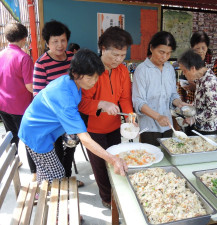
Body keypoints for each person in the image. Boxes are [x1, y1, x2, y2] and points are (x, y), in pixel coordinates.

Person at [18, 49, 127, 184]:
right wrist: (112, 159)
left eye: (96, 77)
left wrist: (102, 104)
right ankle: (49, 198)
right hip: (37, 134)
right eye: (89, 78)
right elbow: (85, 139)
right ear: (75, 73)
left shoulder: (70, 81)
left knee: (45, 169)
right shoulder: (65, 96)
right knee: (57, 174)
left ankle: (40, 192)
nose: (93, 82)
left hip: (41, 129)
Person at [78, 27, 133, 209]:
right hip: (93, 129)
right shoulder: (92, 70)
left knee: (116, 161)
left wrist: (130, 116)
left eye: (122, 55)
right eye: (115, 54)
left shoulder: (123, 71)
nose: (118, 59)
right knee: (100, 165)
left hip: (115, 125)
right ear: (102, 48)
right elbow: (82, 103)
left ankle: (117, 194)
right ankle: (107, 198)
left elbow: (124, 98)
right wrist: (102, 104)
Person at [32, 20, 84, 186]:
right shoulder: (41, 64)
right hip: (53, 119)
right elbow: (38, 95)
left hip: (71, 114)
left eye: (63, 40)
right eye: (55, 41)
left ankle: (67, 179)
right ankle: (58, 184)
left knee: (70, 148)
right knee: (56, 153)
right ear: (47, 43)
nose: (60, 45)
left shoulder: (73, 58)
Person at [132, 31, 188, 146]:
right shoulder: (142, 70)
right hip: (149, 127)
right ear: (151, 48)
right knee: (151, 159)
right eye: (161, 52)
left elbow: (173, 94)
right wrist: (157, 117)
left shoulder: (169, 69)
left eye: (168, 53)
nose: (164, 57)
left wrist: (179, 103)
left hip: (167, 125)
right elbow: (138, 102)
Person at [0, 22, 34, 168]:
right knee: (29, 139)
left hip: (3, 104)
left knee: (11, 136)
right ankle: (34, 170)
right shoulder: (24, 58)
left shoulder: (1, 54)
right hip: (21, 107)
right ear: (24, 38)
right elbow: (31, 86)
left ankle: (14, 162)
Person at [178, 49, 217, 135]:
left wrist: (194, 119)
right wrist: (190, 105)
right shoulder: (201, 78)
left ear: (193, 68)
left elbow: (214, 111)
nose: (183, 74)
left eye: (184, 70)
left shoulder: (210, 82)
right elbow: (205, 102)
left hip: (209, 129)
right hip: (201, 126)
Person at [178, 31, 217, 104]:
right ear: (192, 48)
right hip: (191, 101)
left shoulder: (213, 61)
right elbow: (182, 79)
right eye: (197, 49)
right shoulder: (189, 60)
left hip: (207, 103)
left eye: (203, 48)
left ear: (207, 47)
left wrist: (195, 87)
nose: (200, 51)